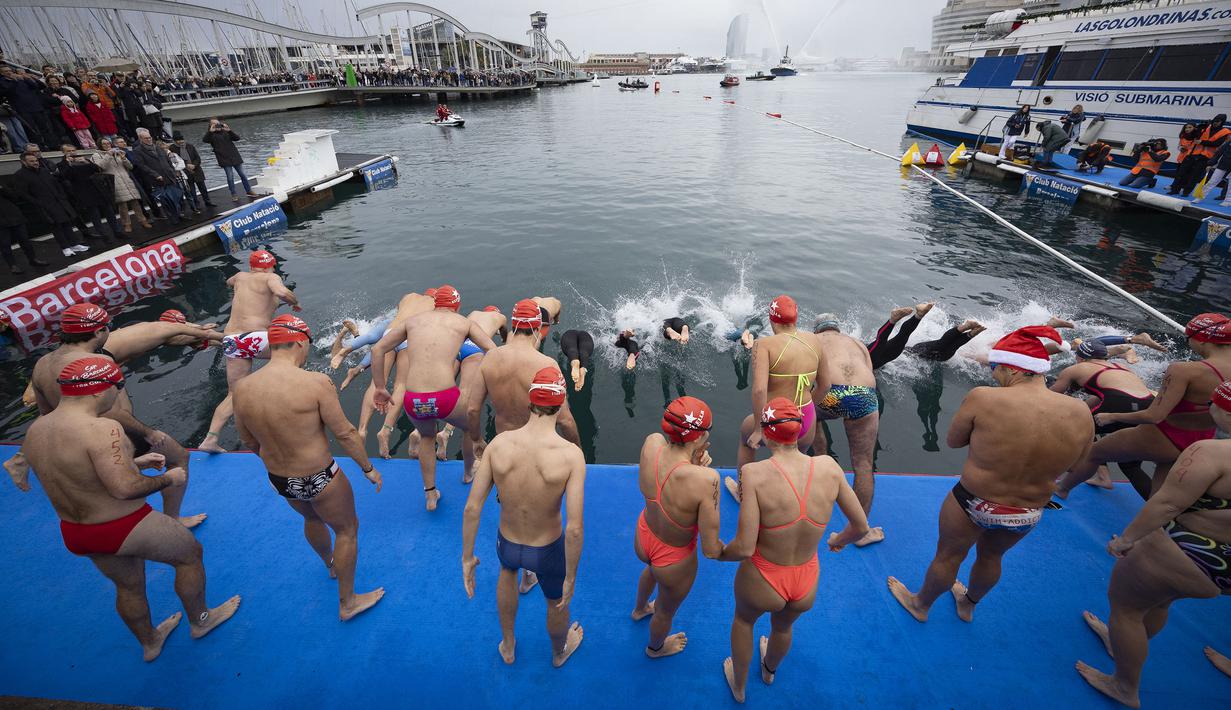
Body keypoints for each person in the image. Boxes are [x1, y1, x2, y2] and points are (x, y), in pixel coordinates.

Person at [17, 357, 240, 661]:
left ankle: (150, 643)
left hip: (77, 531)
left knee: (129, 586)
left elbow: (73, 473)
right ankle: (201, 620)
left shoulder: (37, 430)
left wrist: (133, 463)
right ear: (98, 390)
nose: (118, 392)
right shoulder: (103, 429)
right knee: (189, 556)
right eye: (118, 385)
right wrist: (168, 478)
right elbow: (124, 489)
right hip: (124, 524)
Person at [887, 327, 1094, 623]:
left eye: (995, 367)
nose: (993, 373)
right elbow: (1079, 465)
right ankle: (968, 604)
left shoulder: (984, 398)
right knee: (992, 557)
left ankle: (920, 605)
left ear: (1013, 367)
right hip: (1028, 510)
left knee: (949, 557)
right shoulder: (1081, 412)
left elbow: (954, 441)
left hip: (974, 501)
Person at [1075, 380, 1231, 709]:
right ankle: (1124, 641)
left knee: (1127, 609)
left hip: (1190, 548)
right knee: (1160, 602)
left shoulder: (1211, 452)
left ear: (1221, 409)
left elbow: (1166, 505)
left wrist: (1127, 540)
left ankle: (1124, 686)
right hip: (1222, 565)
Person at [232, 315, 385, 621]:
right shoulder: (314, 382)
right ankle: (348, 603)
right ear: (300, 342)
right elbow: (345, 434)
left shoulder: (243, 388)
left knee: (312, 519)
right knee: (347, 529)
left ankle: (330, 565)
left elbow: (249, 441)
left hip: (281, 479)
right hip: (320, 476)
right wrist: (368, 468)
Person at [718, 398, 869, 703]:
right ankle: (770, 669)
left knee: (744, 622)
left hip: (764, 576)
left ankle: (739, 686)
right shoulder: (828, 466)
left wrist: (719, 552)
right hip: (805, 580)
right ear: (800, 432)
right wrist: (838, 539)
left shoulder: (755, 474)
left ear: (767, 432)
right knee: (784, 627)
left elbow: (745, 546)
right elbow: (861, 527)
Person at [28, 302, 205, 527]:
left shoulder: (42, 364)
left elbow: (45, 413)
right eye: (106, 327)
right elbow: (115, 412)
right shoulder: (99, 362)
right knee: (178, 457)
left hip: (74, 436)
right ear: (99, 331)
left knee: (104, 480)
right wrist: (148, 432)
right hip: (112, 433)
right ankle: (173, 518)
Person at [461, 367, 586, 667]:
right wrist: (571, 575)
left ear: (530, 401)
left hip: (508, 543)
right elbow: (574, 529)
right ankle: (559, 652)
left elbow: (472, 508)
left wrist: (467, 557)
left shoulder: (499, 444)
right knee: (556, 601)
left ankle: (508, 644)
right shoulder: (570, 455)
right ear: (561, 402)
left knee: (507, 575)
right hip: (548, 549)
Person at [1057, 313, 1231, 499]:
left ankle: (1061, 489)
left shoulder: (1184, 370)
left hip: (1166, 434)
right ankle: (1157, 528)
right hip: (1201, 440)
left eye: (1188, 338)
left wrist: (1113, 417)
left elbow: (1154, 416)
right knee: (1159, 496)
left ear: (1203, 340)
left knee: (1093, 453)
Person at [371, 285, 496, 510]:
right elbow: (493, 351)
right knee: (469, 428)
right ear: (457, 306)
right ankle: (468, 473)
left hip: (414, 399)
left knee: (427, 437)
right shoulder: (464, 323)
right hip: (446, 396)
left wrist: (380, 387)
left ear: (435, 304)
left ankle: (430, 494)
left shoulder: (413, 321)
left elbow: (377, 349)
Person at [631, 397, 723, 658]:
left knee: (651, 568)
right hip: (674, 558)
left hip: (645, 535)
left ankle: (638, 609)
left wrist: (692, 463)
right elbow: (711, 547)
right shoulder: (706, 479)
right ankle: (655, 648)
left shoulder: (652, 443)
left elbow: (668, 480)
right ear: (699, 437)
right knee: (665, 611)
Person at [470, 299, 580, 512]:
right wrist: (577, 449)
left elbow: (473, 409)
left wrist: (477, 440)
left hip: (504, 446)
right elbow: (565, 420)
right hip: (537, 449)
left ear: (513, 325)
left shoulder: (490, 358)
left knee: (508, 502)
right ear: (538, 327)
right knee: (540, 508)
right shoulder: (546, 364)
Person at [198, 250, 300, 453]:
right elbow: (281, 292)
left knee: (234, 394)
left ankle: (210, 439)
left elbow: (228, 280)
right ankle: (292, 396)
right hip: (255, 337)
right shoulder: (271, 277)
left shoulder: (239, 277)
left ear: (252, 266)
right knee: (297, 347)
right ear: (271, 265)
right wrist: (294, 302)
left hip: (232, 340)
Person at [732, 296, 829, 482]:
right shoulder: (816, 341)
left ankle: (743, 491)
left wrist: (760, 429)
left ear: (771, 320)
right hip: (805, 418)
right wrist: (803, 411)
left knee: (746, 437)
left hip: (775, 421)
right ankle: (792, 497)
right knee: (795, 460)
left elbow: (759, 390)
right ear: (796, 318)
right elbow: (825, 386)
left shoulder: (764, 345)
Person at [813, 312, 885, 544]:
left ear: (818, 330)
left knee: (810, 414)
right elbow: (870, 371)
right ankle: (861, 530)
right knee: (863, 463)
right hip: (864, 396)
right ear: (837, 329)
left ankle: (822, 462)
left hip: (833, 394)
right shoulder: (857, 344)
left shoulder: (813, 341)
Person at [1050, 339, 1155, 498]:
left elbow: (1051, 396)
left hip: (1121, 403)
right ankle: (1166, 511)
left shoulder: (1077, 368)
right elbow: (1104, 396)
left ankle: (1063, 486)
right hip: (1147, 405)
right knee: (1130, 465)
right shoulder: (1121, 367)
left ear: (1080, 357)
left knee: (1075, 431)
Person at [11, 150, 84, 258]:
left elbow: (56, 184)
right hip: (44, 205)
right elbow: (23, 193)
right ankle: (65, 248)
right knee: (56, 227)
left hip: (59, 202)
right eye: (31, 161)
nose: (35, 163)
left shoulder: (44, 171)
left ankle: (74, 244)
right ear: (23, 162)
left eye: (36, 160)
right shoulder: (20, 175)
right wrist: (38, 202)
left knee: (67, 224)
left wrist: (62, 196)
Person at [57, 144, 120, 242]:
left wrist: (86, 161)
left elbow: (97, 169)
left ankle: (117, 231)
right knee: (95, 217)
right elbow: (65, 176)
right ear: (63, 152)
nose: (72, 152)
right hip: (83, 193)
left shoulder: (84, 159)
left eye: (73, 150)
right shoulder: (62, 164)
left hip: (97, 190)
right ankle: (104, 236)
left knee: (109, 212)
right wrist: (68, 164)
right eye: (68, 151)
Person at [93, 137, 151, 232]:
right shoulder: (97, 155)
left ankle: (143, 220)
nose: (107, 145)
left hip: (126, 179)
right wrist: (108, 155)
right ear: (100, 145)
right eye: (104, 144)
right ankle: (127, 224)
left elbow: (130, 167)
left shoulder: (117, 152)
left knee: (135, 202)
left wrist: (124, 158)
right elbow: (100, 166)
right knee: (122, 205)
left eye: (108, 143)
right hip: (113, 181)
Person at [129, 128, 183, 225]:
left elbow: (168, 160)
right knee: (165, 199)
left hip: (169, 176)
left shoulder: (158, 147)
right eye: (146, 138)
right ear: (141, 139)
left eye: (149, 138)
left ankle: (178, 214)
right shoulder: (138, 151)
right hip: (156, 179)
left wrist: (172, 170)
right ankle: (172, 218)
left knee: (175, 196)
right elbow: (142, 165)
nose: (149, 140)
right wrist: (155, 174)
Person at [1170, 114, 1229, 197]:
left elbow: (1217, 144)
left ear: (1222, 122)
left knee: (1194, 176)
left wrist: (1202, 142)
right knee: (1181, 173)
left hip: (1205, 157)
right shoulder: (1206, 127)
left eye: (1218, 121)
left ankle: (1186, 192)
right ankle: (1175, 189)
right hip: (1192, 153)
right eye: (1215, 121)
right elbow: (1193, 137)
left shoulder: (1225, 132)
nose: (1215, 123)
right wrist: (1200, 128)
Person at [202, 117, 256, 203]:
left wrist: (229, 130)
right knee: (230, 177)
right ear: (211, 125)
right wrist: (210, 132)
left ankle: (248, 190)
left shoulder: (226, 132)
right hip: (224, 159)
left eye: (218, 123)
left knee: (243, 175)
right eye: (214, 124)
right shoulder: (211, 135)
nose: (217, 125)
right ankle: (233, 194)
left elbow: (237, 138)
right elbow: (205, 140)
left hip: (235, 157)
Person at [864, 303, 932, 370]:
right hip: (880, 359)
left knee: (872, 356)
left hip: (867, 357)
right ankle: (919, 315)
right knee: (901, 338)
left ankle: (893, 320)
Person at [0, 182, 47, 273]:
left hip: (14, 216)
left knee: (25, 240)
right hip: (1, 223)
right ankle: (13, 265)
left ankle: (33, 259)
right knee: (5, 245)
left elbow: (14, 196)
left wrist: (2, 188)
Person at [170, 131, 215, 209]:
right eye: (178, 140)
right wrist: (186, 165)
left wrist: (194, 165)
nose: (181, 142)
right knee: (191, 190)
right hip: (185, 172)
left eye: (181, 140)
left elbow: (197, 158)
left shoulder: (190, 146)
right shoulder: (172, 148)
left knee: (203, 188)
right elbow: (175, 161)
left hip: (196, 170)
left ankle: (208, 202)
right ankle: (196, 204)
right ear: (175, 141)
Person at [1194, 139, 1231, 207]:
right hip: (1223, 164)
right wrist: (1211, 164)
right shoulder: (1229, 142)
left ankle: (1228, 201)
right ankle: (1200, 197)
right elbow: (1219, 152)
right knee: (1212, 181)